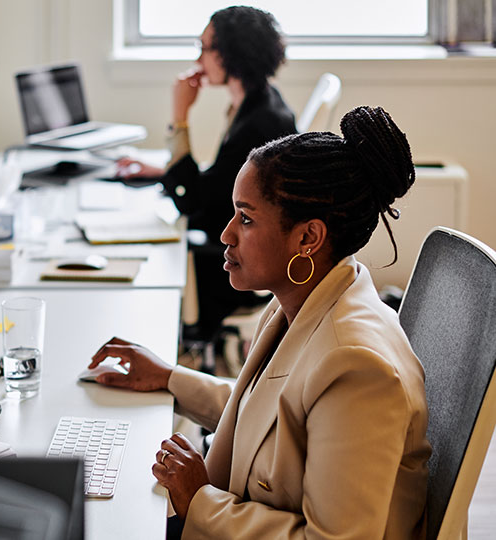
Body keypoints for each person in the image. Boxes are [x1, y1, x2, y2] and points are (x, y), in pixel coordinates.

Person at [89, 106, 431, 539]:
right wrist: (169, 379)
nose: (226, 234)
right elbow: (270, 415)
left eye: (246, 218)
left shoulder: (358, 367)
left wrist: (200, 500)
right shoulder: (308, 295)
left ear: (308, 238)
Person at [118, 6, 297, 340]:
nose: (199, 57)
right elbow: (222, 183)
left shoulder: (258, 125)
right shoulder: (258, 102)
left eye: (205, 47)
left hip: (230, 268)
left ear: (230, 53)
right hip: (240, 245)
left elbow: (192, 203)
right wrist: (164, 170)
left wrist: (179, 115)